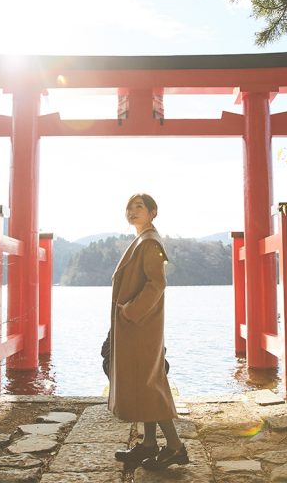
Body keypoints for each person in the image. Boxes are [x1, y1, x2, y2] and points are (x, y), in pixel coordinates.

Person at [108, 193, 188, 470]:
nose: (132, 211)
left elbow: (157, 284)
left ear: (153, 211)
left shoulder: (151, 242)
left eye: (139, 207)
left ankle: (176, 447)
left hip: (141, 326)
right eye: (129, 207)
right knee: (144, 385)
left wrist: (130, 311)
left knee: (150, 386)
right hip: (137, 326)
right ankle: (149, 445)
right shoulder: (142, 240)